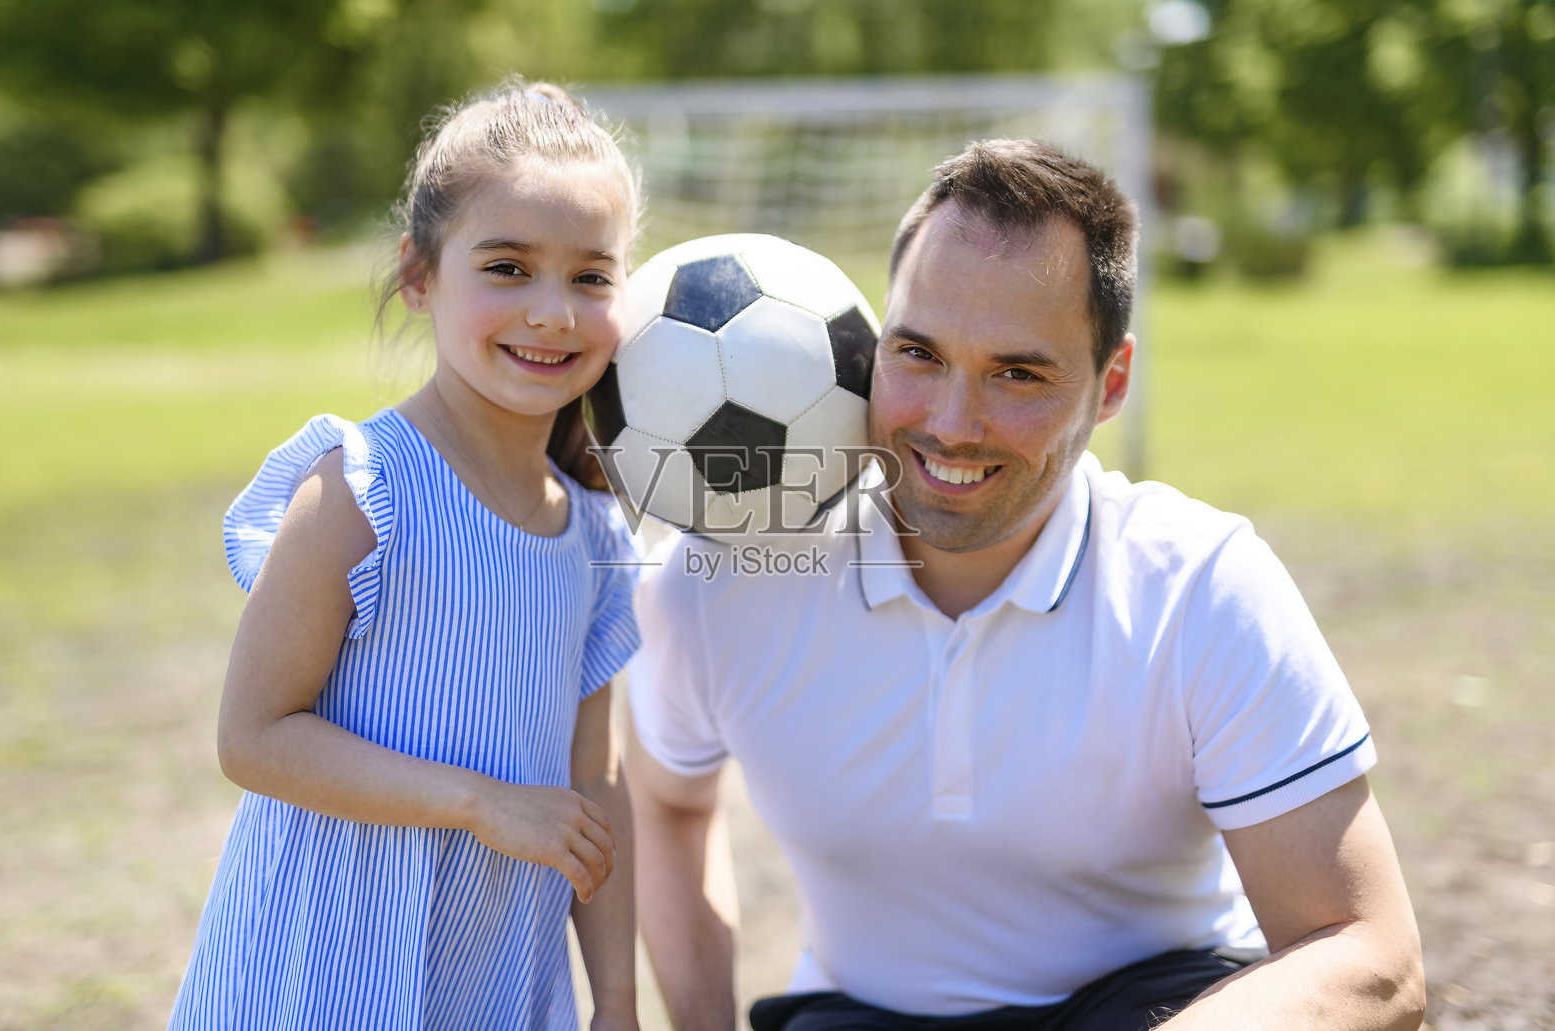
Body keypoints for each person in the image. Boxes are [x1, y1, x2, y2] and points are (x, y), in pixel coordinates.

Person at [626, 139, 1425, 1031]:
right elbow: (664, 800)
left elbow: (1371, 955)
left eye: (1018, 374)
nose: (950, 425)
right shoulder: (718, 581)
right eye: (920, 354)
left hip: (1155, 1003)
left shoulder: (1201, 587)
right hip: (863, 1014)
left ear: (1110, 382)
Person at [168, 82, 645, 1031]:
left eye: (591, 276)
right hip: (319, 979)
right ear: (420, 275)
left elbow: (592, 784)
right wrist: (479, 802)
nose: (552, 312)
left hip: (498, 980)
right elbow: (253, 736)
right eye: (508, 267)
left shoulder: (595, 531)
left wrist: (619, 1001)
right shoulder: (361, 488)